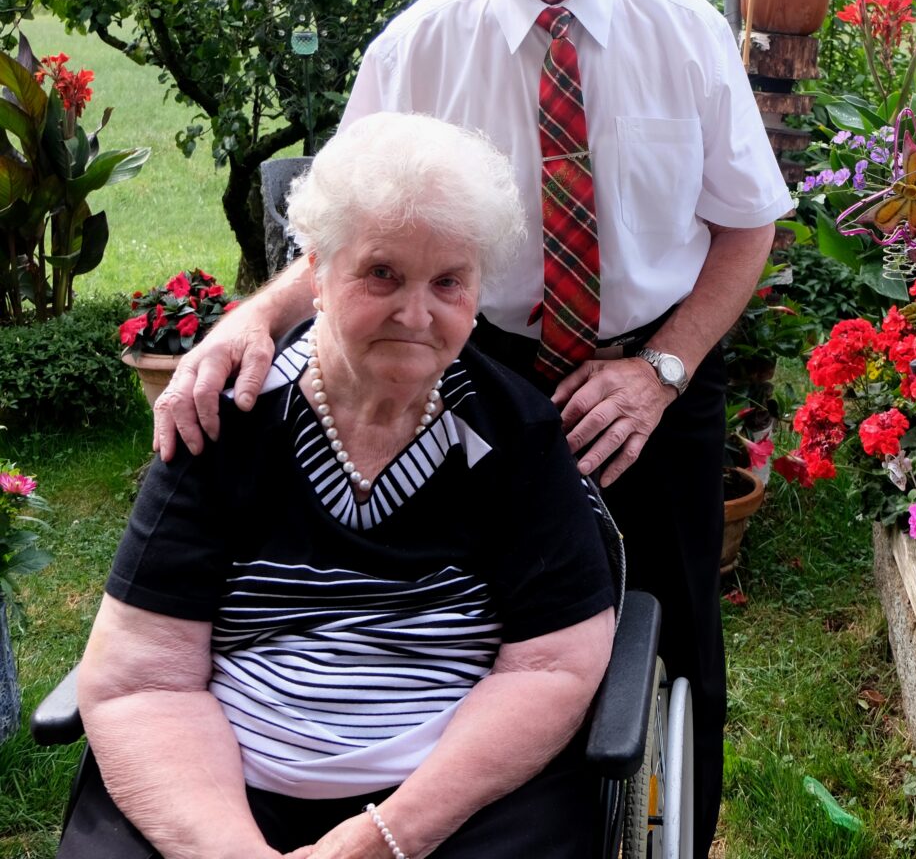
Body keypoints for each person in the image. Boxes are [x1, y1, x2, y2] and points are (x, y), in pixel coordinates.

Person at [154, 0, 791, 857]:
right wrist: (248, 320)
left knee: (680, 643)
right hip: (468, 377)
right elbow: (344, 239)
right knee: (486, 642)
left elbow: (746, 225)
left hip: (655, 371)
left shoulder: (685, 32)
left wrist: (659, 373)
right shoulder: (415, 48)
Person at [73, 112, 616, 859]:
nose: (416, 314)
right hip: (221, 783)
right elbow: (143, 679)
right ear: (318, 271)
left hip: (450, 796)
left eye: (448, 282)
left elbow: (551, 664)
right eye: (382, 273)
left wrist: (386, 837)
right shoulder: (227, 415)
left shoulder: (513, 434)